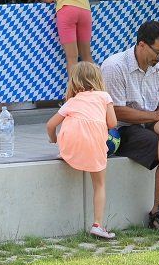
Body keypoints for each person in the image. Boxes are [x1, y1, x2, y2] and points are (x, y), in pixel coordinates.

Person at [100, 21, 159, 235]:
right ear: (141, 45)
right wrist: (157, 115)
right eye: (158, 52)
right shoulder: (114, 66)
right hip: (120, 129)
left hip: (148, 122)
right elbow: (115, 112)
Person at [46, 62, 118, 239]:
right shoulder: (104, 97)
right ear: (98, 79)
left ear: (74, 81)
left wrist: (54, 139)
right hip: (95, 146)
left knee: (71, 127)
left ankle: (66, 153)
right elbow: (112, 123)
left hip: (70, 146)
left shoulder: (72, 102)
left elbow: (50, 125)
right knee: (99, 185)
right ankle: (97, 225)